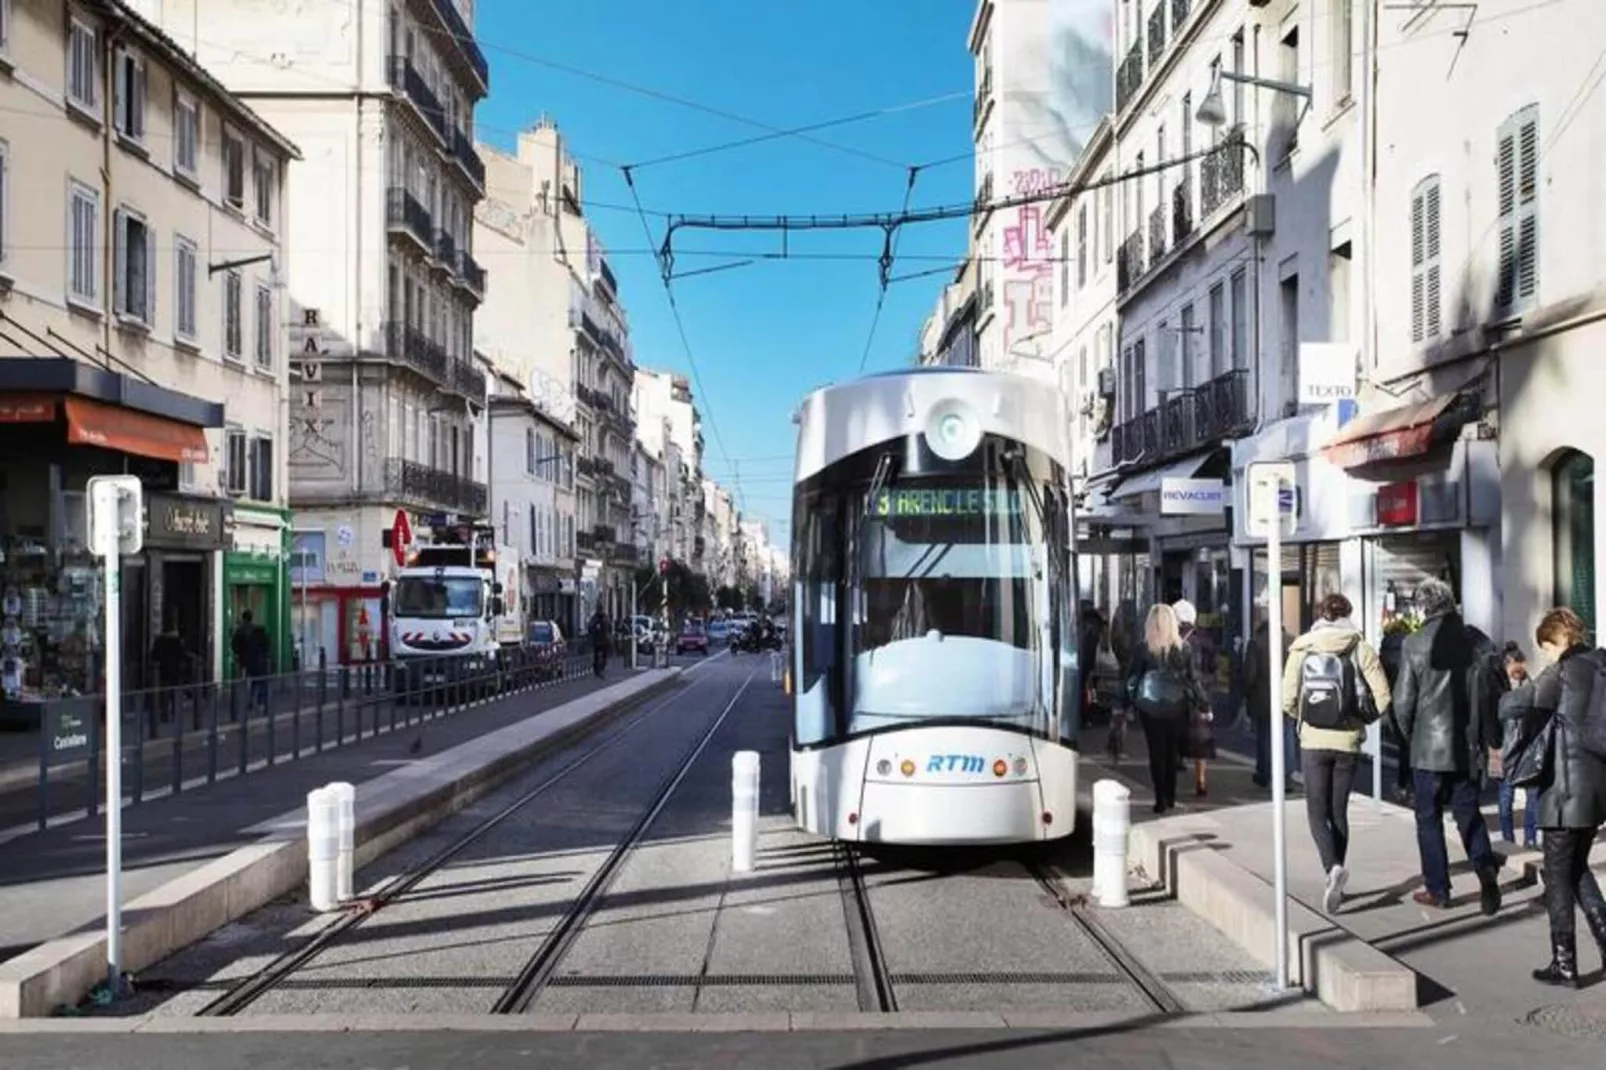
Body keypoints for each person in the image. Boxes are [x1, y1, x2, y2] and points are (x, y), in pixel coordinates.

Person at [1391, 577, 1503, 914]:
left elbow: (1403, 702)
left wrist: (1411, 739)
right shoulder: (1475, 640)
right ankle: (1484, 866)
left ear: (1424, 608)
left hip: (1428, 748)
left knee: (1429, 818)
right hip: (1467, 747)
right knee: (1468, 813)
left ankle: (1438, 889)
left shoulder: (1415, 643)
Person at [1281, 592, 1392, 914]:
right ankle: (1337, 872)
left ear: (1319, 615)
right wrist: (1359, 720)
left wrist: (1307, 718)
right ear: (1349, 614)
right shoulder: (1361, 648)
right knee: (1338, 813)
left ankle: (1331, 869)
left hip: (1313, 742)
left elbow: (1287, 698)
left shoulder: (1302, 648)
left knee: (1317, 814)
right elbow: (1383, 699)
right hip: (1347, 742)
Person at [1519, 608, 1606, 986]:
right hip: (1595, 792)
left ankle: (1564, 963)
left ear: (1559, 641)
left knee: (1557, 877)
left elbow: (1520, 703)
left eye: (1547, 649)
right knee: (1577, 870)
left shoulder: (1564, 672)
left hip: (1564, 792)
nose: (1547, 657)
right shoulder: (1600, 665)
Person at [1126, 603, 1210, 815]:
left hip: (1150, 706)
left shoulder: (1143, 648)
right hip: (1176, 706)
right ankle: (1171, 796)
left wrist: (1126, 703)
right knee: (1172, 751)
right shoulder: (1183, 649)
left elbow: (1132, 679)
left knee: (1156, 752)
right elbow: (1193, 680)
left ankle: (1160, 798)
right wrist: (1203, 704)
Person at [1241, 610, 1295, 791]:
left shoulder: (1256, 643)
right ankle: (1286, 775)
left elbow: (1249, 674)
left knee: (1264, 735)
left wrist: (1246, 693)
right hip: (1287, 697)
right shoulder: (1291, 641)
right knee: (1287, 734)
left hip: (1262, 698)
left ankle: (1264, 772)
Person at [1495, 643, 1539, 848]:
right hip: (1506, 749)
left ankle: (1530, 837)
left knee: (1533, 797)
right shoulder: (1499, 689)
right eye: (1514, 664)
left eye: (1520, 663)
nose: (1518, 668)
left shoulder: (1532, 687)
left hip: (1529, 749)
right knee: (1505, 799)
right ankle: (1508, 838)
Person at [1173, 600, 1217, 796]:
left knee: (1173, 737)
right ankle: (1201, 780)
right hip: (1201, 695)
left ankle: (1173, 773)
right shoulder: (1204, 641)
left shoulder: (1173, 642)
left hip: (1179, 695)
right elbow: (1212, 667)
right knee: (1201, 741)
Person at [587, 608, 611, 677]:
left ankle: (598, 669)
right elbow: (609, 629)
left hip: (598, 641)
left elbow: (590, 628)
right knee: (602, 656)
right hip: (602, 641)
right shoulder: (604, 620)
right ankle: (599, 669)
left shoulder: (595, 619)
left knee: (598, 656)